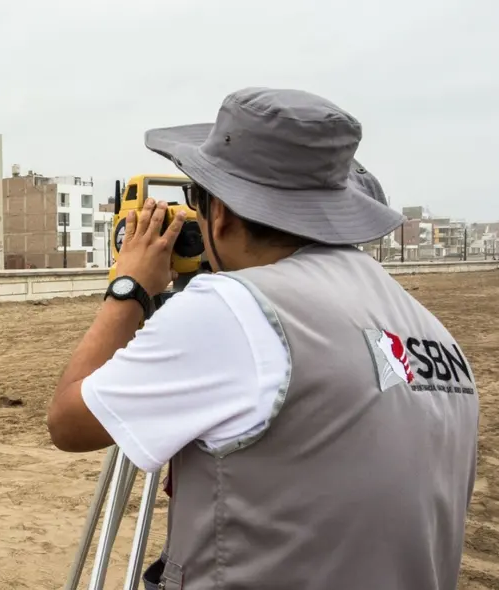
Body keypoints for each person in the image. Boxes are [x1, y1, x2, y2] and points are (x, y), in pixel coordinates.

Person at [46, 87, 479, 590]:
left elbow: (68, 424)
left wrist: (131, 287)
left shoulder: (232, 310)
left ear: (222, 213)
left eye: (196, 198)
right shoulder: (430, 331)